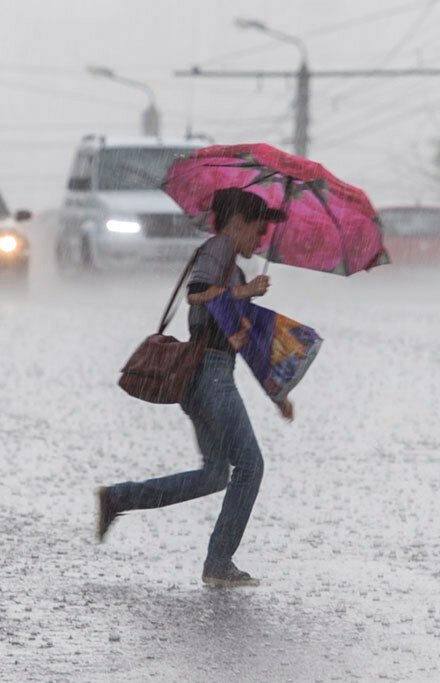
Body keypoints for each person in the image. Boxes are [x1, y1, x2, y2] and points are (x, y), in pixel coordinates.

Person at [96, 187, 294, 587]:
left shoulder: (229, 262)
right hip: (211, 375)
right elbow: (196, 296)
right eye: (257, 231)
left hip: (210, 374)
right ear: (237, 222)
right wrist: (245, 291)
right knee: (251, 466)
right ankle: (219, 564)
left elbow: (241, 336)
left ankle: (119, 498)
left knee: (216, 475)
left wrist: (278, 393)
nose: (261, 241)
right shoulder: (219, 247)